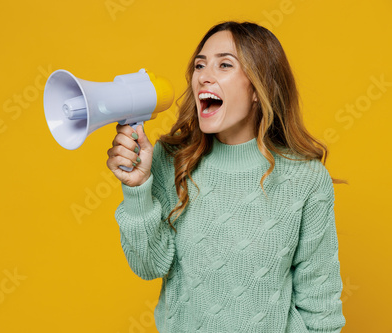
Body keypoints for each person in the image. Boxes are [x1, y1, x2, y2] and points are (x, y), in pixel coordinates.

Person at [106, 21, 346, 332]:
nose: (204, 76)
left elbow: (321, 306)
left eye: (225, 65)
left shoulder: (306, 180)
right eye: (199, 65)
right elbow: (149, 265)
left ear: (258, 88)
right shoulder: (171, 159)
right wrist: (137, 188)